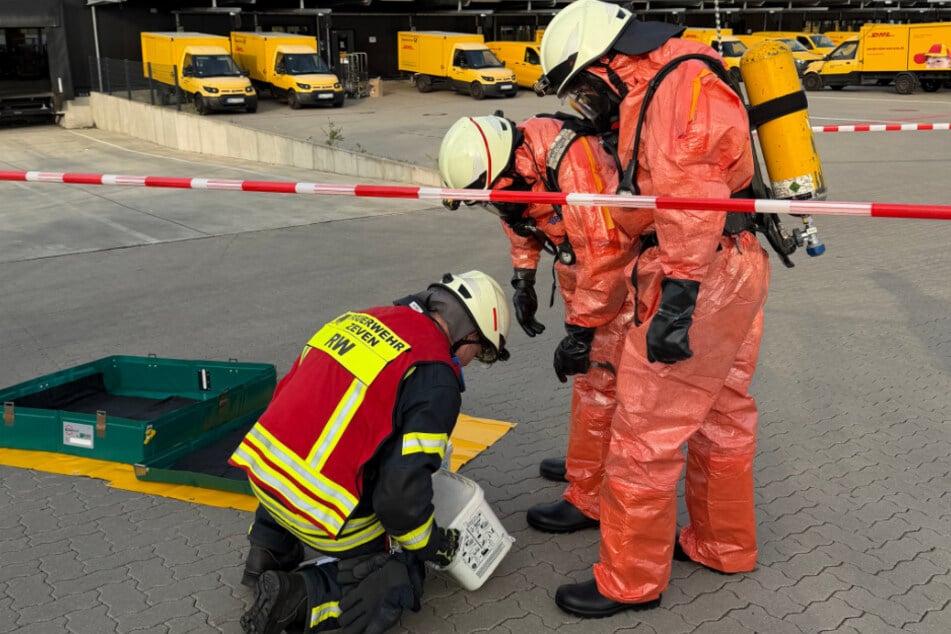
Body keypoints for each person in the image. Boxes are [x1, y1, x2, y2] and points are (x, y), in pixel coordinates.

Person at [536, 0, 772, 617]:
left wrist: (678, 300)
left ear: (605, 61)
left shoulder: (671, 87)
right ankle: (723, 545)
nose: (587, 103)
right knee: (723, 414)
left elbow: (690, 195)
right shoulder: (678, 75)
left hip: (697, 272)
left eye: (584, 87)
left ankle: (629, 580)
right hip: (733, 262)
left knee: (645, 431)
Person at [229, 271, 511, 633]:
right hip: (321, 508)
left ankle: (266, 551)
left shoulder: (362, 318)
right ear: (468, 333)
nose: (472, 361)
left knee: (313, 452)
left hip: (264, 475)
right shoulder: (435, 375)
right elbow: (398, 501)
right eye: (481, 350)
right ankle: (301, 596)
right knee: (399, 575)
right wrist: (433, 545)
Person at [438, 114, 633, 534]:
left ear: (504, 167)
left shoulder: (569, 161)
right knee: (589, 381)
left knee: (600, 382)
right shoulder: (516, 167)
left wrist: (581, 331)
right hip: (585, 274)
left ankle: (590, 499)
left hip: (613, 281)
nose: (492, 204)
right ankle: (586, 463)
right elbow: (520, 218)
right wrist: (523, 280)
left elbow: (607, 251)